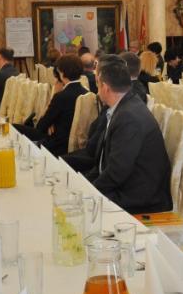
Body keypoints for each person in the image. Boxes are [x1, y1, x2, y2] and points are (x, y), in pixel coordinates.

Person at [66, 55, 171, 214]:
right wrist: (84, 184)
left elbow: (117, 172)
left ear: (105, 87)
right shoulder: (123, 107)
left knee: (73, 207)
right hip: (126, 185)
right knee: (71, 192)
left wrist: (88, 192)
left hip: (139, 196)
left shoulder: (129, 117)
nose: (97, 90)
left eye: (98, 84)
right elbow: (102, 163)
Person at [15, 54, 88, 157]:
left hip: (57, 145)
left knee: (13, 127)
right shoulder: (87, 93)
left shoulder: (61, 96)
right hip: (76, 146)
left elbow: (41, 126)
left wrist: (54, 95)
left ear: (61, 73)